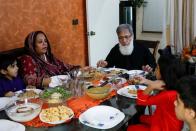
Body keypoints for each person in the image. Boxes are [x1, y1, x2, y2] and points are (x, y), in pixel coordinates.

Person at [127, 54, 186, 131]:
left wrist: (151, 86)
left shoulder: (167, 95)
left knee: (130, 128)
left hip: (165, 126)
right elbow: (161, 84)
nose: (155, 69)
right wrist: (146, 81)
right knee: (140, 118)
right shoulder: (174, 86)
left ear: (165, 72)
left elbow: (140, 101)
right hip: (168, 120)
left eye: (157, 67)